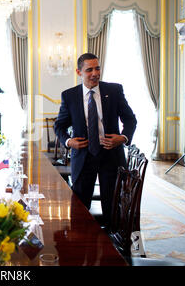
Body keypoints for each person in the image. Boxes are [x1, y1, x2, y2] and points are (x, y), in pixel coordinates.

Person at [54, 53, 137, 226]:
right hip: (83, 158)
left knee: (113, 208)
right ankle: (83, 245)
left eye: (97, 68)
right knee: (80, 211)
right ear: (79, 72)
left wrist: (122, 138)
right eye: (89, 69)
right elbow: (59, 126)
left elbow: (130, 119)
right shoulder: (69, 96)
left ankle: (113, 246)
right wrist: (69, 142)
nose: (94, 73)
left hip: (111, 157)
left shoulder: (114, 91)